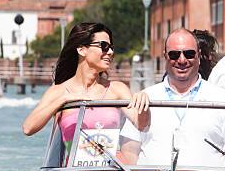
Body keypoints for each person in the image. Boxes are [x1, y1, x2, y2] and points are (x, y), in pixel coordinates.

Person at [22, 22, 149, 157]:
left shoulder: (117, 89)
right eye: (104, 46)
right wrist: (64, 99)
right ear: (82, 50)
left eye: (111, 47)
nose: (110, 52)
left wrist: (143, 104)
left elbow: (141, 124)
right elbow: (28, 128)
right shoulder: (59, 91)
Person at [120, 28, 225, 167]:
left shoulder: (223, 99)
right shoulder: (146, 98)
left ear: (198, 55)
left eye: (189, 54)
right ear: (165, 56)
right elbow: (129, 149)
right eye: (174, 54)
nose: (182, 60)